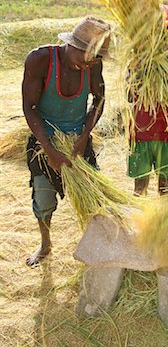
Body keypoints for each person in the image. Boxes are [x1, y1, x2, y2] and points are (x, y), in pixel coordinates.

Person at [22, 17, 111, 266]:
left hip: (77, 141)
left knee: (94, 197)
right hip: (44, 140)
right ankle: (45, 244)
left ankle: (96, 246)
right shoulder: (40, 60)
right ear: (72, 45)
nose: (88, 65)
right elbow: (29, 108)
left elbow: (99, 100)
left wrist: (83, 138)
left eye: (94, 59)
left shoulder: (91, 64)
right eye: (85, 58)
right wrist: (49, 150)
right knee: (43, 198)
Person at [127, 5, 168, 196]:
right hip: (140, 132)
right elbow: (129, 97)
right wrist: (138, 73)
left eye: (161, 31)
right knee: (140, 190)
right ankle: (142, 223)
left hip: (167, 132)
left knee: (167, 189)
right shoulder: (136, 59)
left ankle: (163, 224)